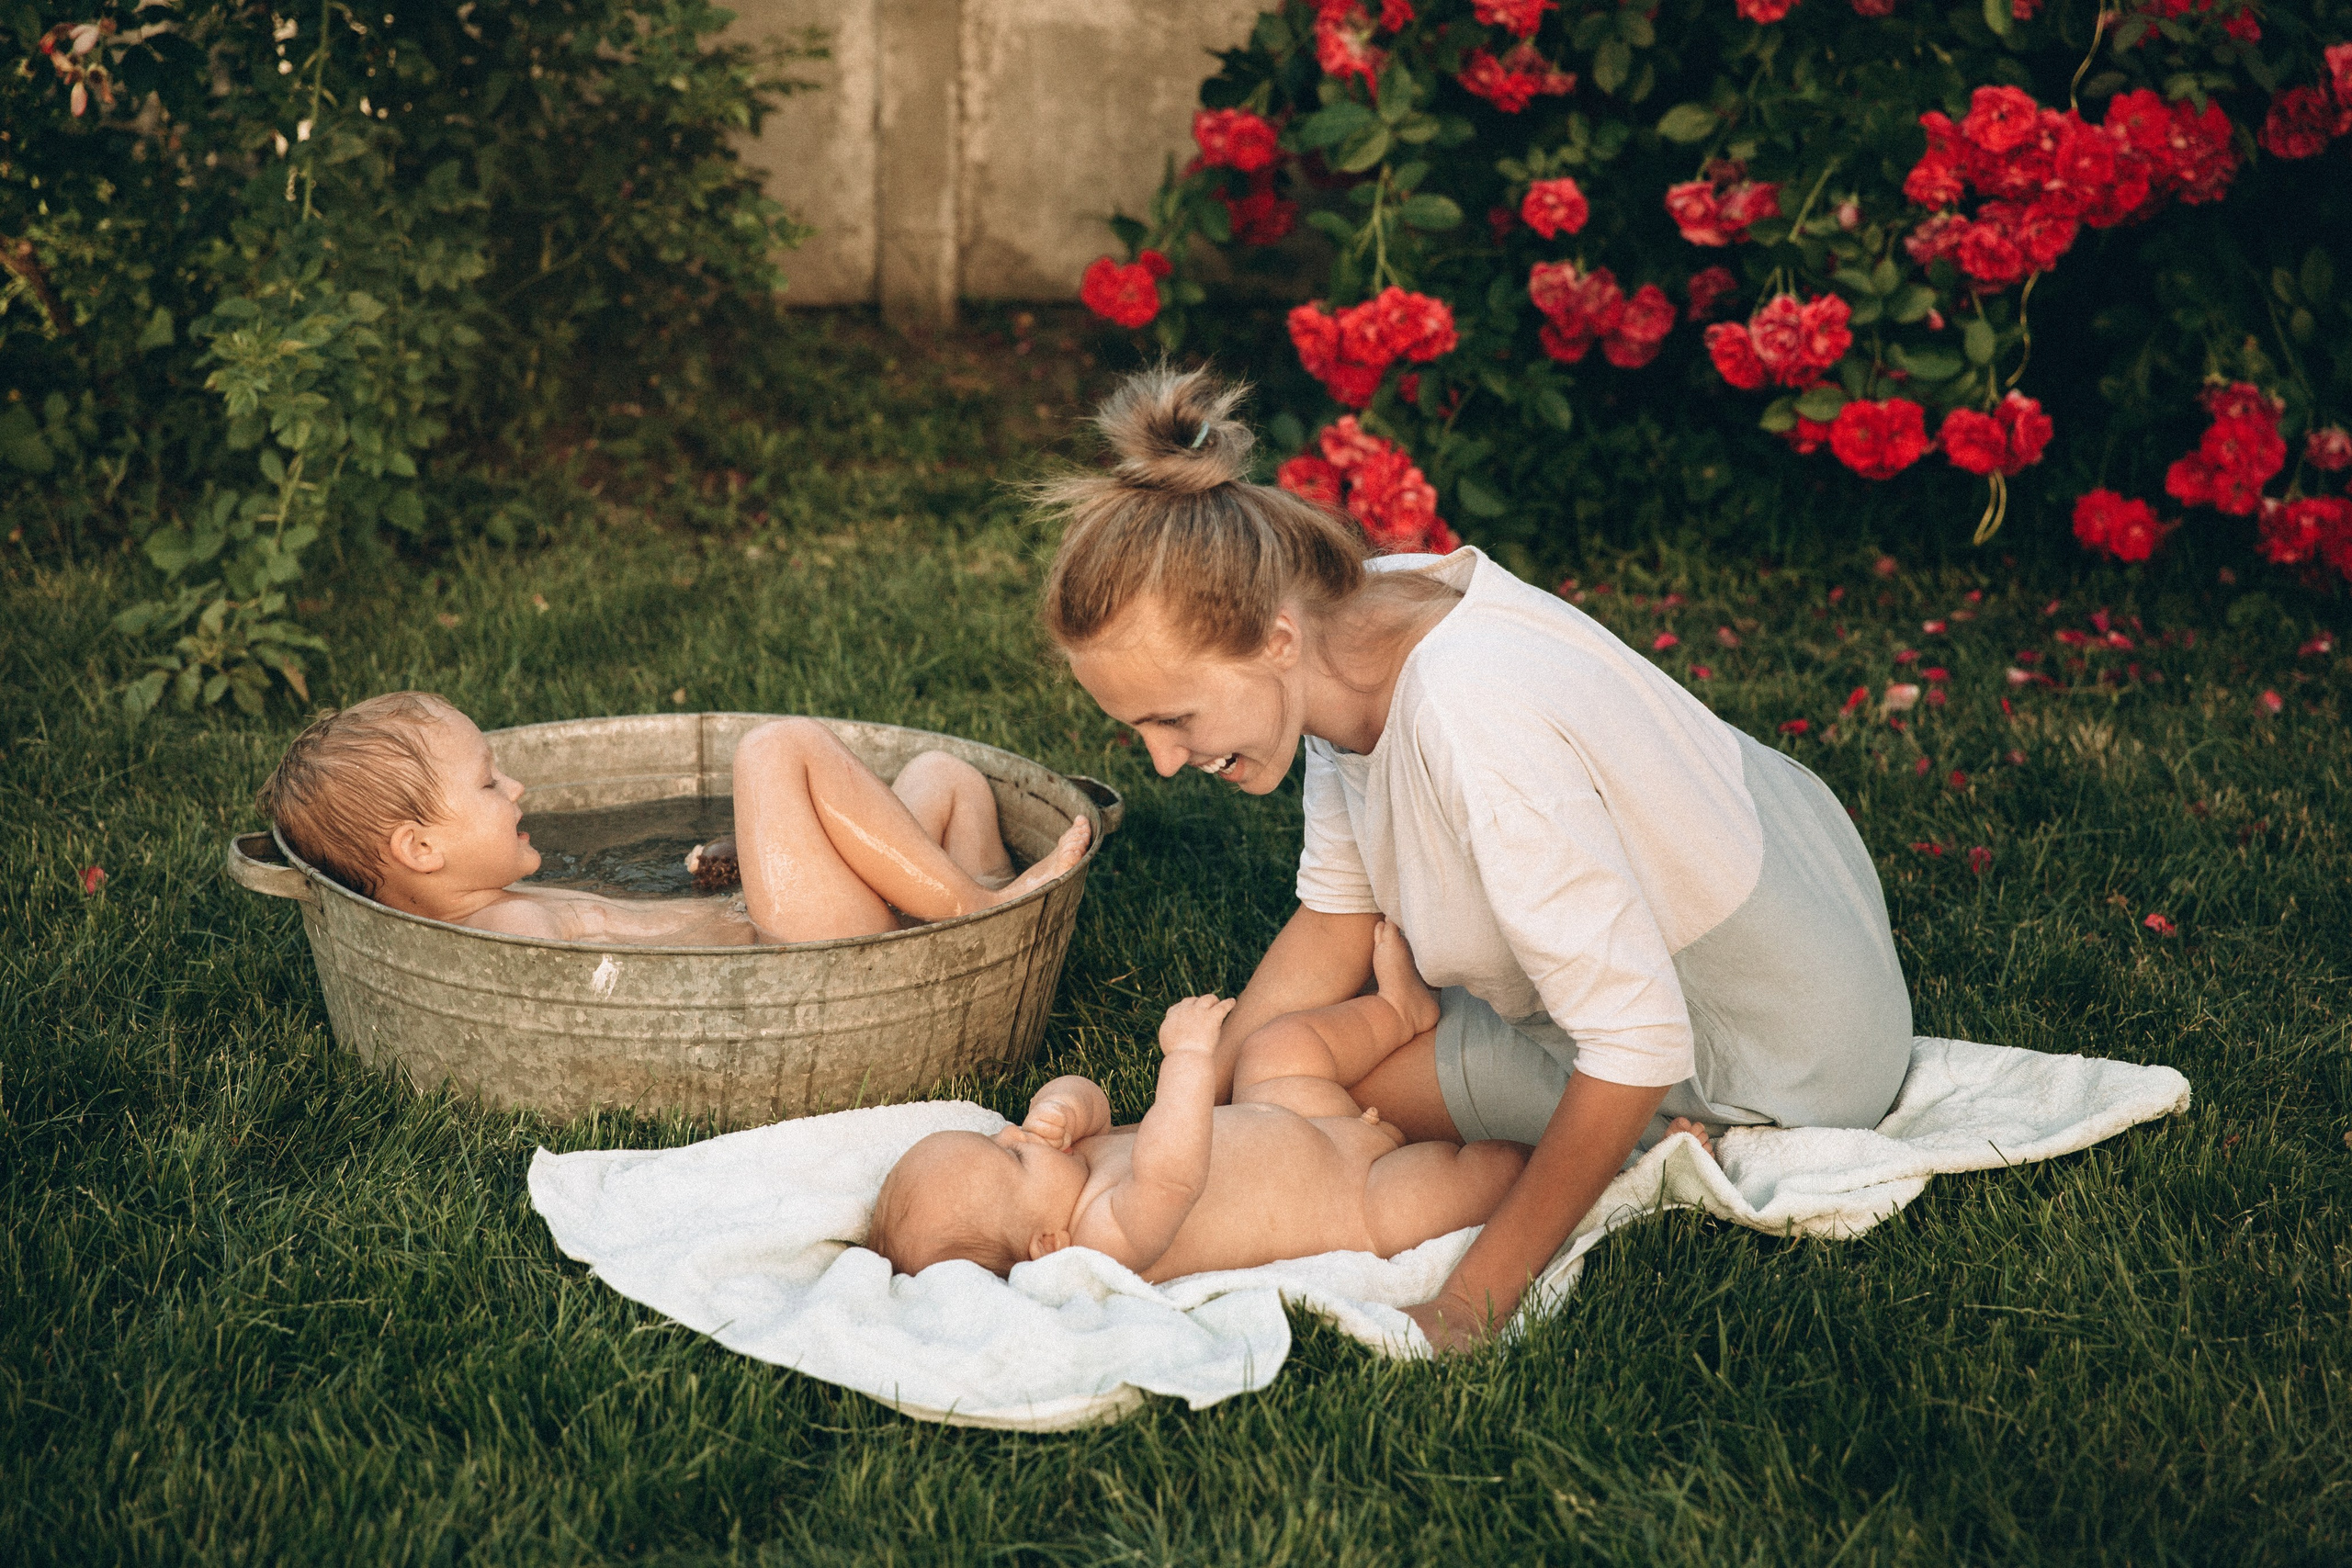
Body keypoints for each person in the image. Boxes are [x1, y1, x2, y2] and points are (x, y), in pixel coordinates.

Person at [1034, 366, 1915, 1349]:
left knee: (1323, 1119)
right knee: (1279, 1087)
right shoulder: (1350, 620)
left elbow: (1635, 1041)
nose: (1162, 761)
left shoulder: (1470, 719)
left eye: (1174, 719)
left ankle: (1673, 1139)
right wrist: (1172, 1118)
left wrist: (1473, 1301)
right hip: (1796, 918)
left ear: (1274, 639)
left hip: (1783, 1043)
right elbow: (1336, 919)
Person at [867, 922, 1631, 1281]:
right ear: (1045, 1245)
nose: (1012, 1133)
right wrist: (1188, 1062)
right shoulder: (1104, 1236)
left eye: (996, 1135)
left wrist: (1063, 1101)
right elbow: (1172, 1175)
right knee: (1484, 1176)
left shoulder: (1069, 1157)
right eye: (1010, 1159)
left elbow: (1093, 1104)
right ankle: (1612, 1165)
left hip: (1296, 1113)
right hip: (1357, 1200)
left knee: (1277, 1048)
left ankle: (1401, 1012)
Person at [255, 692, 1089, 944]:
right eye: (487, 784)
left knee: (946, 777)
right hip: (794, 955)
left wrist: (758, 861)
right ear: (419, 848)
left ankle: (991, 918)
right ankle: (981, 909)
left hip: (777, 919)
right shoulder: (503, 935)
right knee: (776, 746)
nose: (516, 787)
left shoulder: (502, 902)